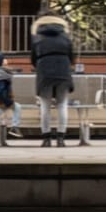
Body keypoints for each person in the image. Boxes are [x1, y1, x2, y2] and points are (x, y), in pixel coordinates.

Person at [29, 10, 78, 148]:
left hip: (44, 71)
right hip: (63, 70)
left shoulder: (37, 37)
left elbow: (33, 58)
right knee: (62, 104)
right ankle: (61, 138)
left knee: (45, 105)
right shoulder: (65, 37)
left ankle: (46, 138)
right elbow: (72, 56)